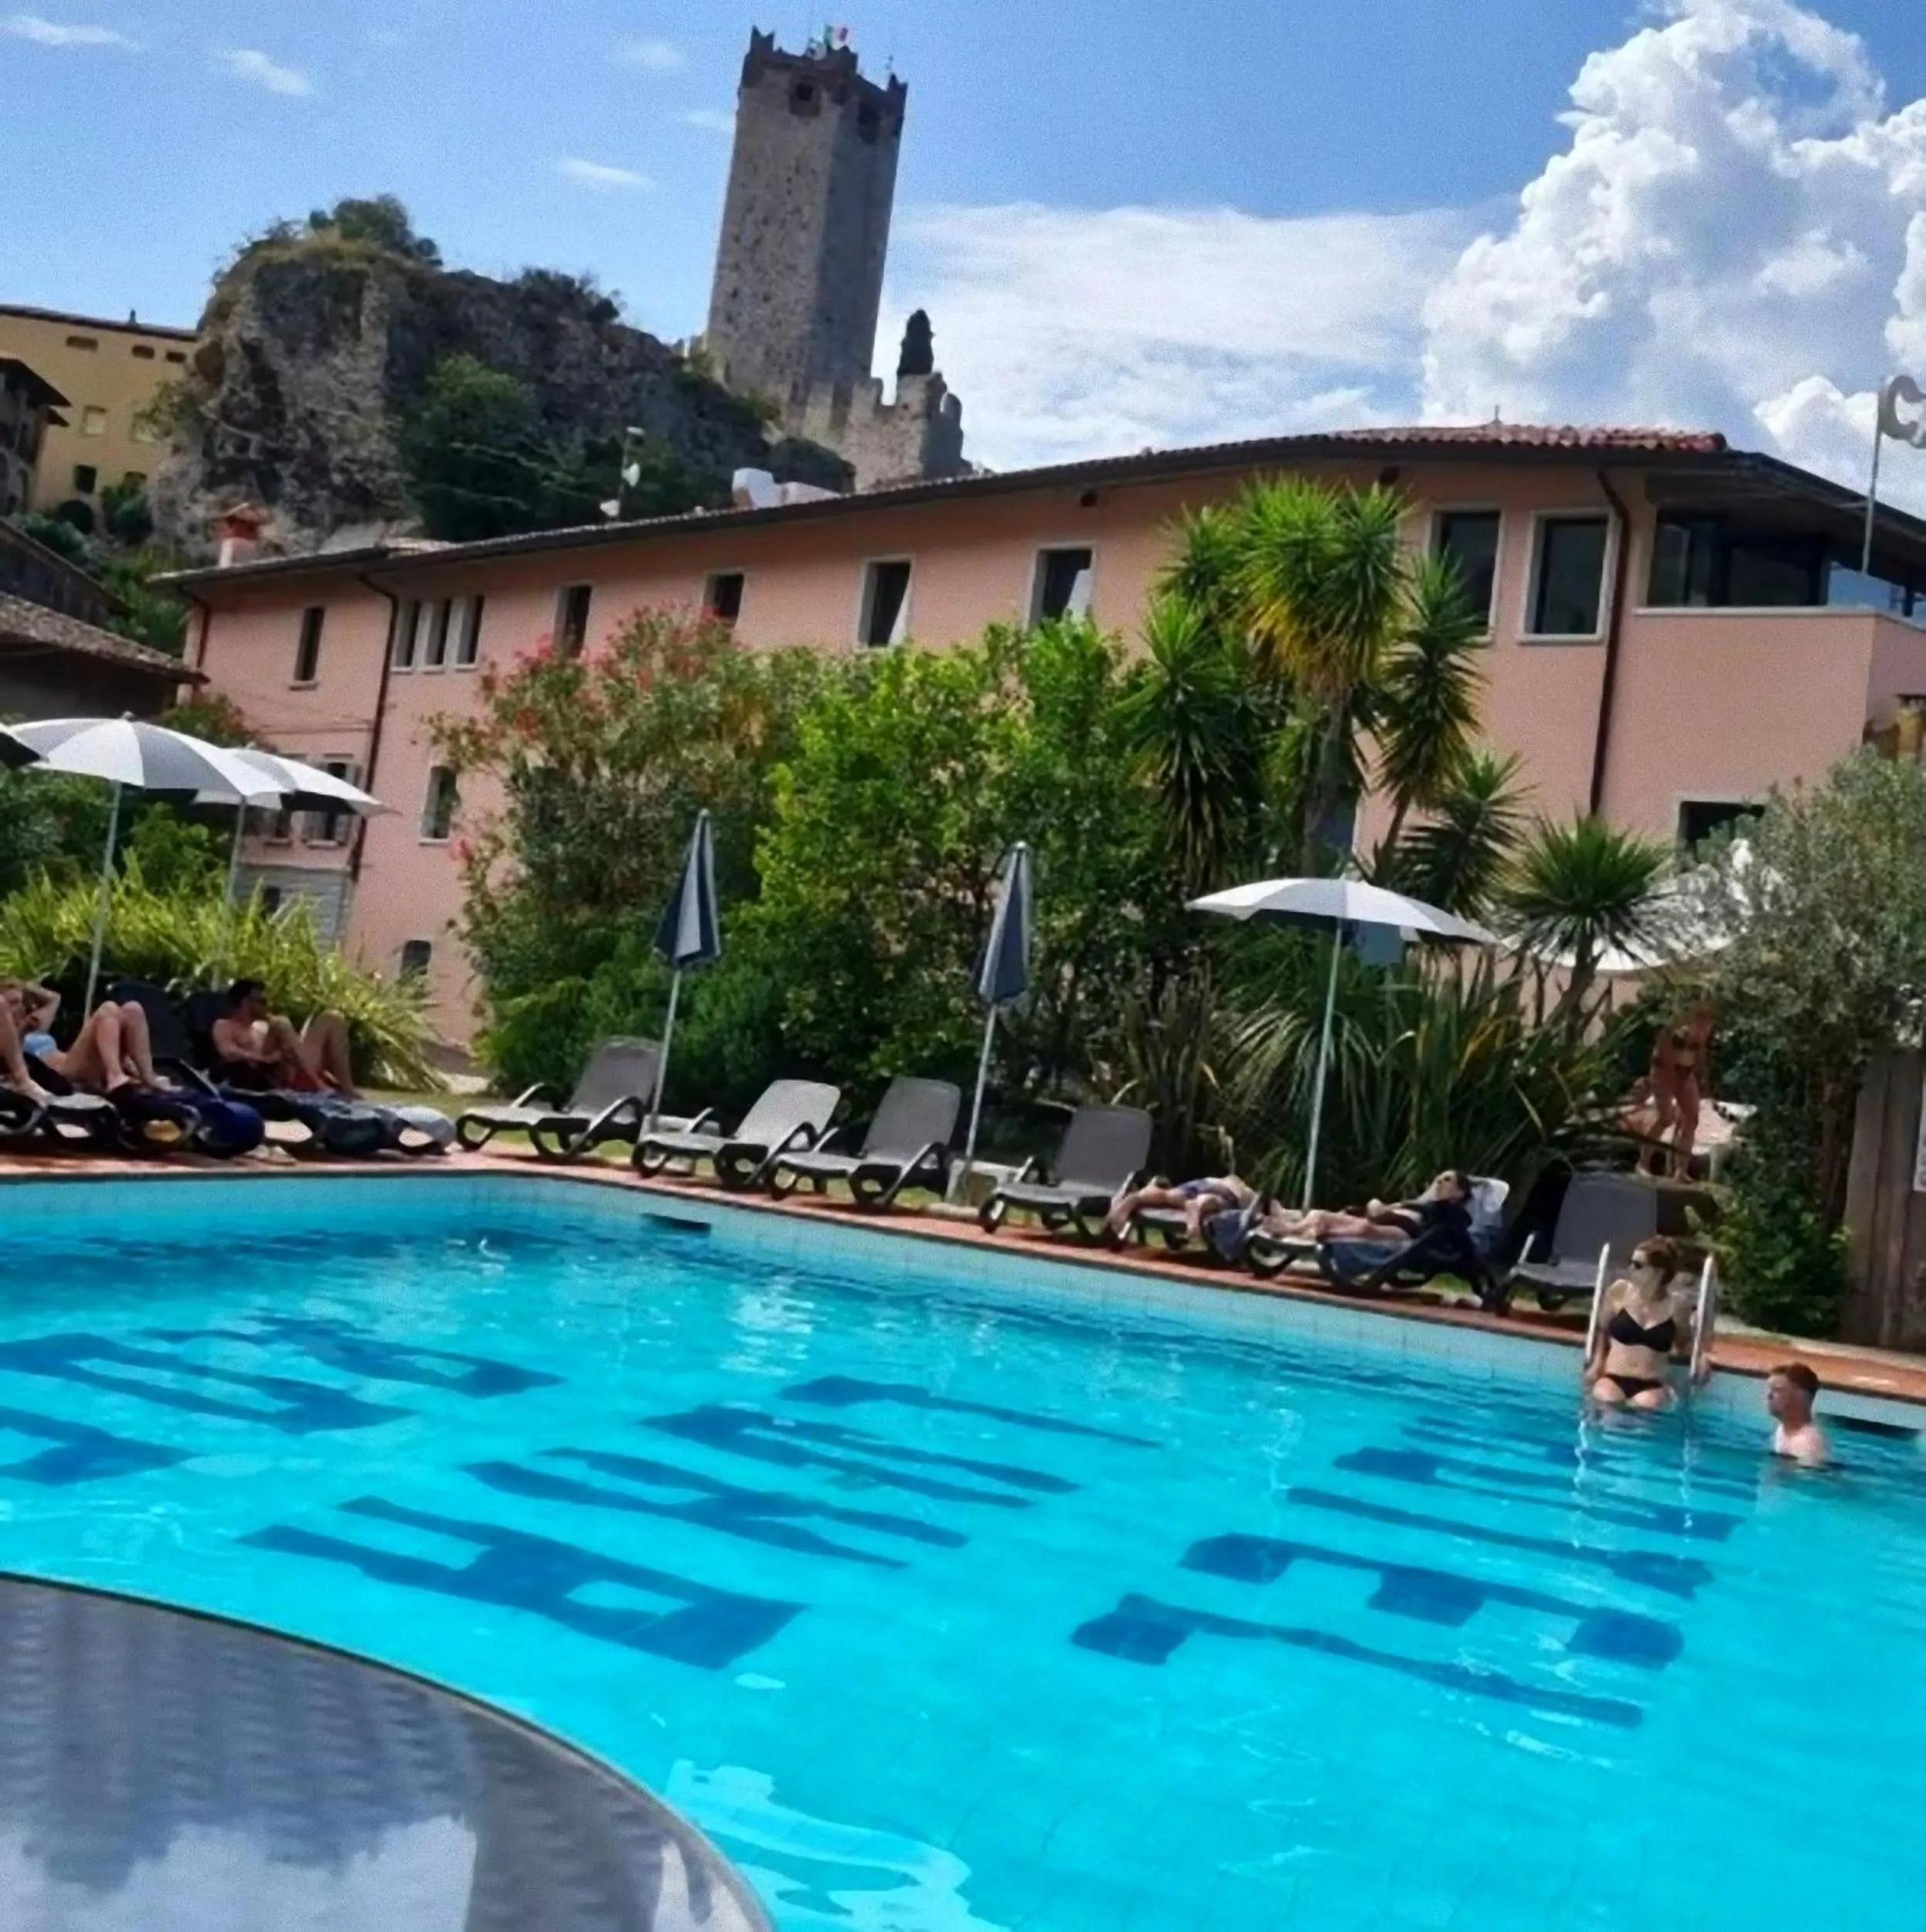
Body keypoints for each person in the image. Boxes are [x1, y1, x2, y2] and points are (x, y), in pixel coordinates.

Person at [1584, 1234, 1708, 1410]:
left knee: (1644, 1413)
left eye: (1637, 1265)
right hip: (1613, 1377)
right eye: (1631, 1262)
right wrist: (1597, 1363)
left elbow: (1684, 1343)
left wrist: (1701, 1357)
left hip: (1651, 1384)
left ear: (1658, 1272)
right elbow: (1603, 1329)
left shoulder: (1676, 1306)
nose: (1630, 1269)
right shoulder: (1619, 1291)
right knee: (1607, 1404)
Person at [0, 980, 171, 1096]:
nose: (20, 1008)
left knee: (133, 1009)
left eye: (21, 1002)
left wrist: (24, 986)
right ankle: (115, 1075)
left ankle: (148, 1077)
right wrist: (19, 1028)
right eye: (13, 1003)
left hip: (82, 1062)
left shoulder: (36, 1027)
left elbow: (54, 999)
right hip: (66, 1073)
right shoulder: (9, 1038)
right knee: (108, 1009)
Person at [209, 978, 358, 1097]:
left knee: (332, 1018)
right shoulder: (224, 1025)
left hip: (295, 1068)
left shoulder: (262, 1027)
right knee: (281, 1021)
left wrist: (287, 1052)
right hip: (268, 1077)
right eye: (262, 1001)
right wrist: (264, 1059)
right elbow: (227, 1051)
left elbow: (293, 1050)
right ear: (245, 1002)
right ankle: (318, 1085)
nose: (267, 1006)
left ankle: (348, 1089)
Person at [1263, 1170, 1475, 1246]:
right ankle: (1295, 1228)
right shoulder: (1420, 1202)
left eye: (1446, 1180)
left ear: (1459, 1192)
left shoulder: (1453, 1212)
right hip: (1384, 1218)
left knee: (1364, 1229)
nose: (1438, 1182)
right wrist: (1379, 1207)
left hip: (1406, 1229)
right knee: (1319, 1214)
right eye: (1438, 1179)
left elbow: (1454, 1230)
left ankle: (1288, 1229)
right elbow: (1390, 1207)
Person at [1106, 1173, 1254, 1239]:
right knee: (1203, 1201)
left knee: (1169, 1196)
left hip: (1207, 1184)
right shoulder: (1236, 1194)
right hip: (1226, 1191)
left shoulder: (1232, 1189)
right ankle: (1193, 1215)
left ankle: (1136, 1198)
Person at [1767, 1362, 1829, 1467]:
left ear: (1799, 1397)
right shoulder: (1782, 1430)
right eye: (1770, 1389)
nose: (1769, 1396)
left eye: (1777, 1390)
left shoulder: (1807, 1444)